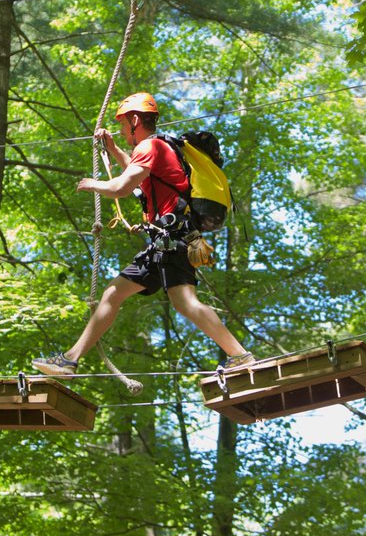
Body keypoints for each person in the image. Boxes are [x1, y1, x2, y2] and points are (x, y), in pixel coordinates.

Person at [33, 92, 254, 376]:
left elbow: (121, 188)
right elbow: (136, 173)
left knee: (176, 301)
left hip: (170, 241)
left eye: (123, 125)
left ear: (135, 120)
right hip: (174, 239)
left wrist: (92, 184)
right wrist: (112, 148)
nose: (122, 130)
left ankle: (239, 354)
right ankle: (70, 360)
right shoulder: (159, 148)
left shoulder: (150, 147)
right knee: (127, 295)